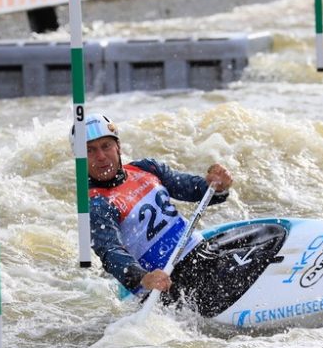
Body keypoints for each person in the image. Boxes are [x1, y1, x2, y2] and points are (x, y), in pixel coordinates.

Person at [74, 112, 233, 301]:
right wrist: (143, 278)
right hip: (166, 280)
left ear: (118, 147)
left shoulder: (146, 168)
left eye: (106, 146)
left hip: (200, 252)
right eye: (89, 151)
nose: (100, 156)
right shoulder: (96, 205)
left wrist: (215, 185)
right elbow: (111, 253)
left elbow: (191, 188)